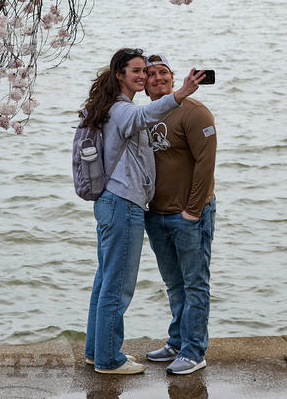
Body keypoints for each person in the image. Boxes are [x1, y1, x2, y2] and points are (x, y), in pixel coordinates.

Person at [81, 48, 205, 375]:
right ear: (119, 75)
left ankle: (96, 351)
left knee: (105, 281)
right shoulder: (122, 109)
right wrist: (180, 94)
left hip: (111, 202)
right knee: (117, 286)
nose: (142, 75)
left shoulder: (110, 106)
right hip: (122, 203)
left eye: (144, 71)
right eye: (136, 71)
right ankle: (110, 359)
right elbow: (143, 117)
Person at [142, 53, 217, 376]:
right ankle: (177, 342)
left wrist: (192, 211)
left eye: (163, 72)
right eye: (151, 74)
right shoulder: (145, 115)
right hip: (156, 215)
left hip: (189, 215)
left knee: (194, 284)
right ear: (143, 83)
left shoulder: (194, 112)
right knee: (174, 284)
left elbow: (206, 163)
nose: (158, 78)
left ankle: (193, 351)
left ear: (173, 77)